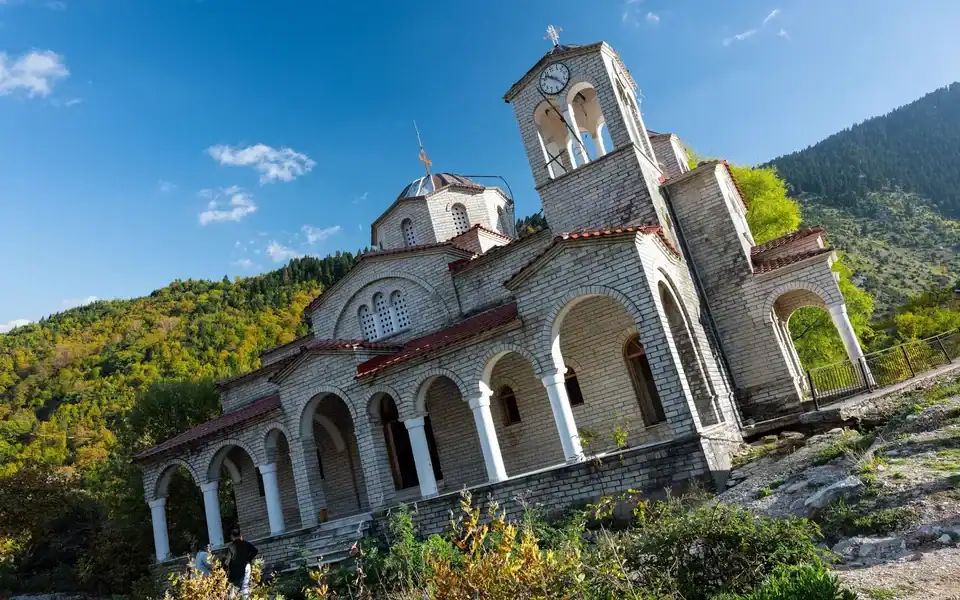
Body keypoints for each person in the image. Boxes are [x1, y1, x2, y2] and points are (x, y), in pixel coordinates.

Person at [226, 528, 258, 598]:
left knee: (235, 589)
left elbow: (227, 562)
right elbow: (255, 551)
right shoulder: (246, 543)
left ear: (232, 536)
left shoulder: (231, 546)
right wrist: (248, 559)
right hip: (246, 566)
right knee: (245, 587)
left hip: (235, 571)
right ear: (240, 535)